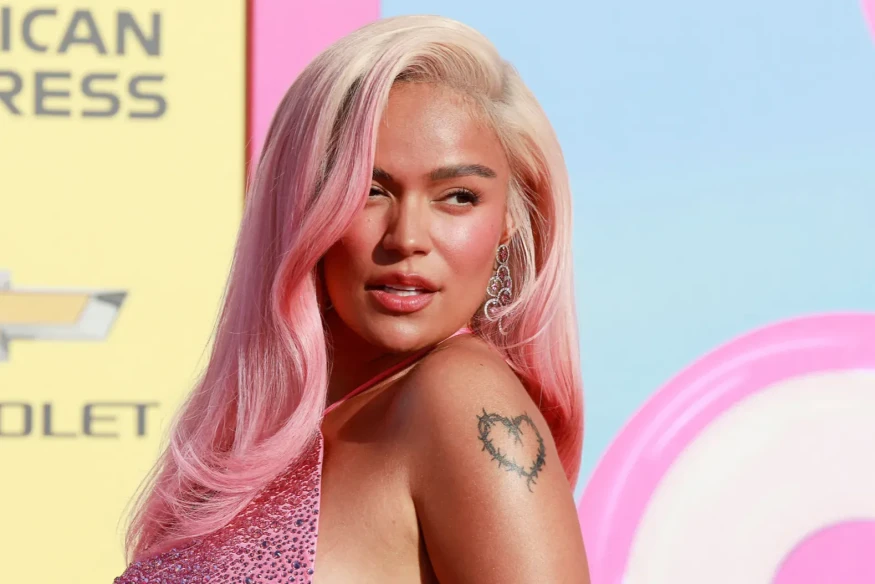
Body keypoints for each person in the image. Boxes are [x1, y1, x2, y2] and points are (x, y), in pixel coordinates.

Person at [114, 14, 589, 584]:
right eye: (369, 189)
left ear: (511, 216)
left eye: (459, 196)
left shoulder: (462, 395)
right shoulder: (256, 438)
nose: (408, 238)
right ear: (302, 200)